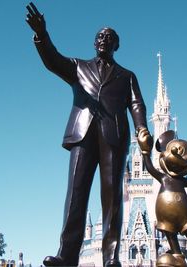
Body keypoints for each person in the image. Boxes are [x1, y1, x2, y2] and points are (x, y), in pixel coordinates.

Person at [25, 2, 150, 266]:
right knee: (75, 194)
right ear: (95, 43)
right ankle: (67, 255)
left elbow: (137, 103)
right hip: (82, 134)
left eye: (109, 37)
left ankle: (111, 257)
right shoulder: (78, 67)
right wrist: (41, 35)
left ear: (117, 45)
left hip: (113, 136)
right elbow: (52, 60)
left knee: (113, 198)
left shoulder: (127, 76)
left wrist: (141, 129)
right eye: (100, 36)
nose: (104, 39)